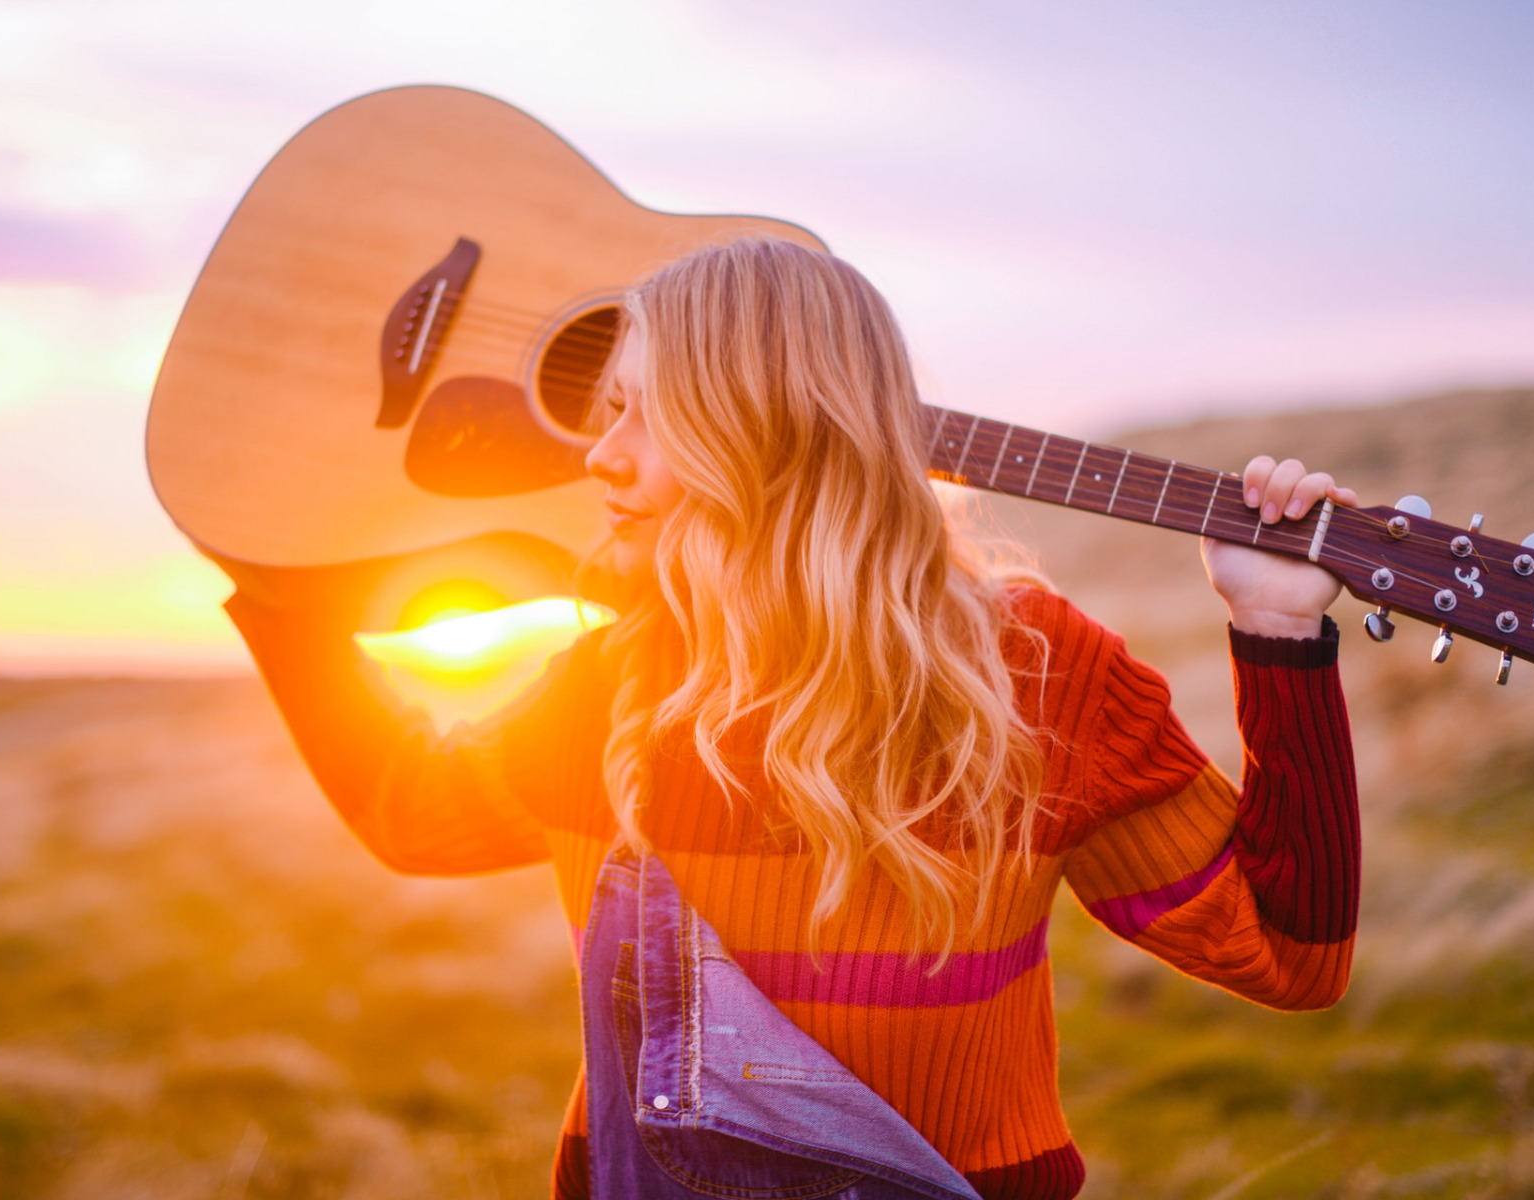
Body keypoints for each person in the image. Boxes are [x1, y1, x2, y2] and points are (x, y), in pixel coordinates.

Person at [224, 238, 1360, 1200]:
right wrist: (271, 570)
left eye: (644, 416)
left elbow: (1289, 955)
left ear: (766, 435)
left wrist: (1276, 633)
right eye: (606, 411)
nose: (598, 454)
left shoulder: (1036, 674)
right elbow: (410, 812)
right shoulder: (609, 678)